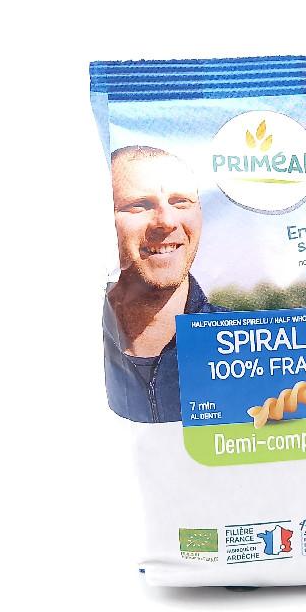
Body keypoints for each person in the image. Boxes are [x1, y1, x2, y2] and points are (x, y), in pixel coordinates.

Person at [103, 146, 226, 422]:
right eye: (139, 205)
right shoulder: (70, 343)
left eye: (180, 202)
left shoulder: (246, 347)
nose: (167, 221)